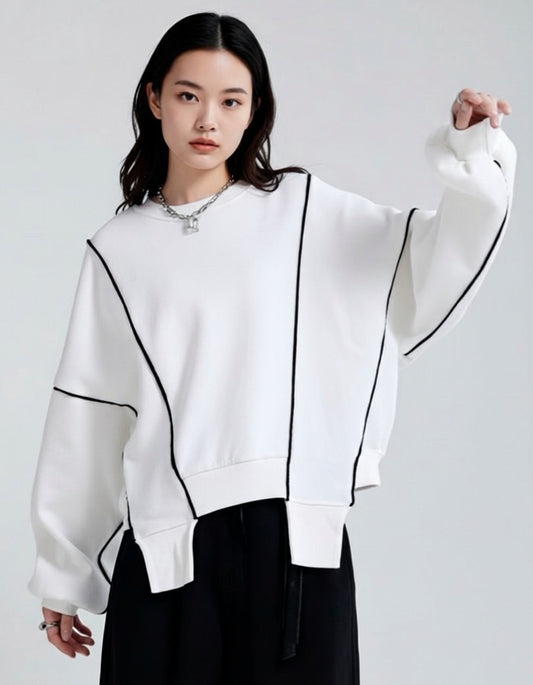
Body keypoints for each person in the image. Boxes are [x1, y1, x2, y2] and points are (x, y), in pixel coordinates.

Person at [28, 11, 516, 685]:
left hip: (292, 549)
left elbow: (430, 263)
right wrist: (64, 571)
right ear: (154, 99)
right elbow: (90, 411)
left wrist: (469, 154)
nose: (208, 119)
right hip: (169, 555)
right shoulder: (118, 249)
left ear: (254, 110)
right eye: (189, 95)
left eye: (231, 101)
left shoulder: (306, 212)